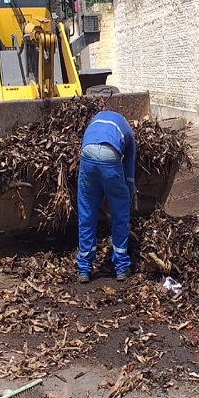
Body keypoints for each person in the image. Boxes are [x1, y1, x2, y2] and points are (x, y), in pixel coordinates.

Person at [76, 110, 136, 283]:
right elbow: (129, 172)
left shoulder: (94, 123)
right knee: (120, 215)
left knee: (87, 213)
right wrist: (127, 196)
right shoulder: (127, 131)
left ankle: (84, 269)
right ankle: (122, 267)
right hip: (111, 158)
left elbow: (85, 147)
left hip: (87, 156)